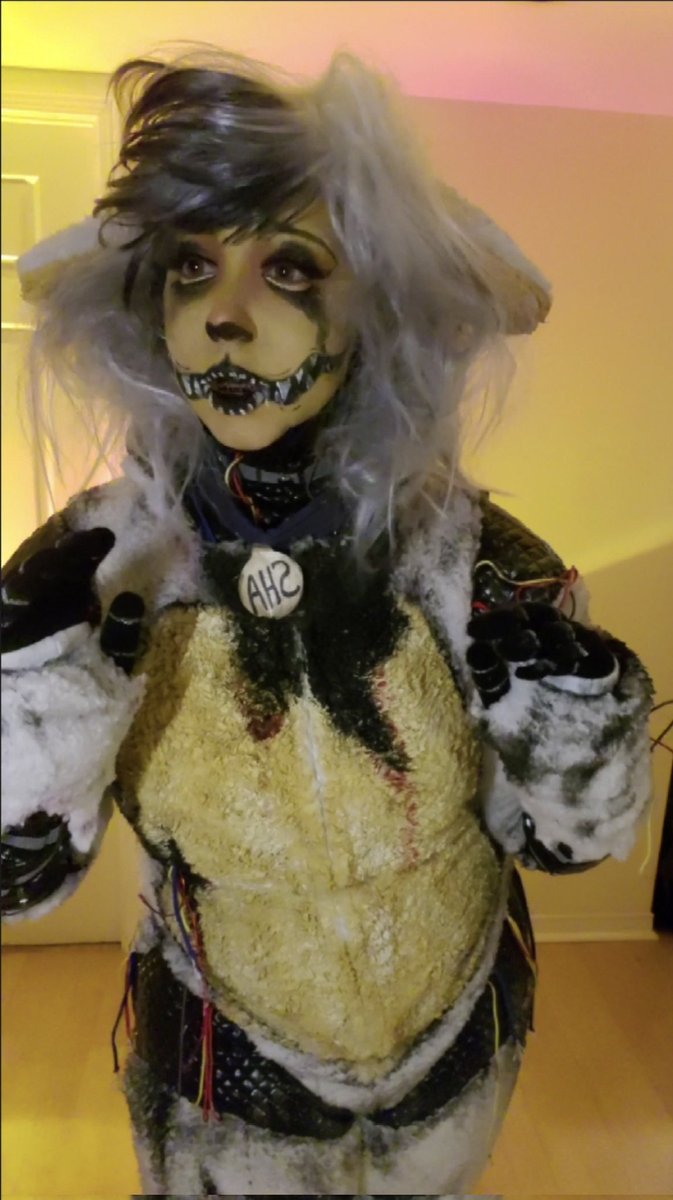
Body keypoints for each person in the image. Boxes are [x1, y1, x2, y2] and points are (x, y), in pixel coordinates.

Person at [1, 47, 653, 1195]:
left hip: (454, 1039)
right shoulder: (99, 566)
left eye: (290, 267)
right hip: (223, 1057)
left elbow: (567, 842)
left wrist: (577, 727)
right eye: (191, 266)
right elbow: (20, 873)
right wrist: (32, 706)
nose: (225, 318)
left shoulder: (472, 556)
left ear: (381, 311)